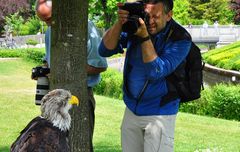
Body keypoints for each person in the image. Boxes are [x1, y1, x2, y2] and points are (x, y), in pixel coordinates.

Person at [98, 0, 191, 151]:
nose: (150, 21)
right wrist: (120, 22)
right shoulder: (138, 25)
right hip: (132, 110)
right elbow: (104, 50)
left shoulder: (180, 38)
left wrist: (144, 37)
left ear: (169, 15)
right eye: (148, 15)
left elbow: (156, 71)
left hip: (159, 113)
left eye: (156, 16)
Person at [35, 0, 108, 151]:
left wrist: (64, 72)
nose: (47, 24)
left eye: (49, 19)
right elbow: (50, 61)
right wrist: (43, 70)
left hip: (79, 94)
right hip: (54, 97)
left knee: (79, 145)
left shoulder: (86, 27)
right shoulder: (50, 31)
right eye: (43, 20)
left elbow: (100, 65)